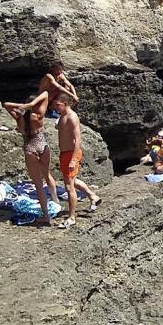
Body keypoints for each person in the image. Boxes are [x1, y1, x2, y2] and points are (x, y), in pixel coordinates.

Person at [3, 92, 56, 226]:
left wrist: (24, 106)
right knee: (47, 175)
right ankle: (55, 201)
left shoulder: (19, 118)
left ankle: (46, 216)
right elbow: (45, 94)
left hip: (30, 149)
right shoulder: (38, 116)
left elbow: (6, 105)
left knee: (38, 185)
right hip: (42, 146)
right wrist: (32, 105)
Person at [51, 92, 100, 228]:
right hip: (64, 153)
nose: (55, 107)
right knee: (72, 180)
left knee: (69, 186)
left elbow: (77, 139)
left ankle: (72, 217)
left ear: (64, 104)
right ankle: (92, 196)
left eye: (57, 105)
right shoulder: (62, 117)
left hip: (72, 154)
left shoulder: (72, 117)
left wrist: (73, 159)